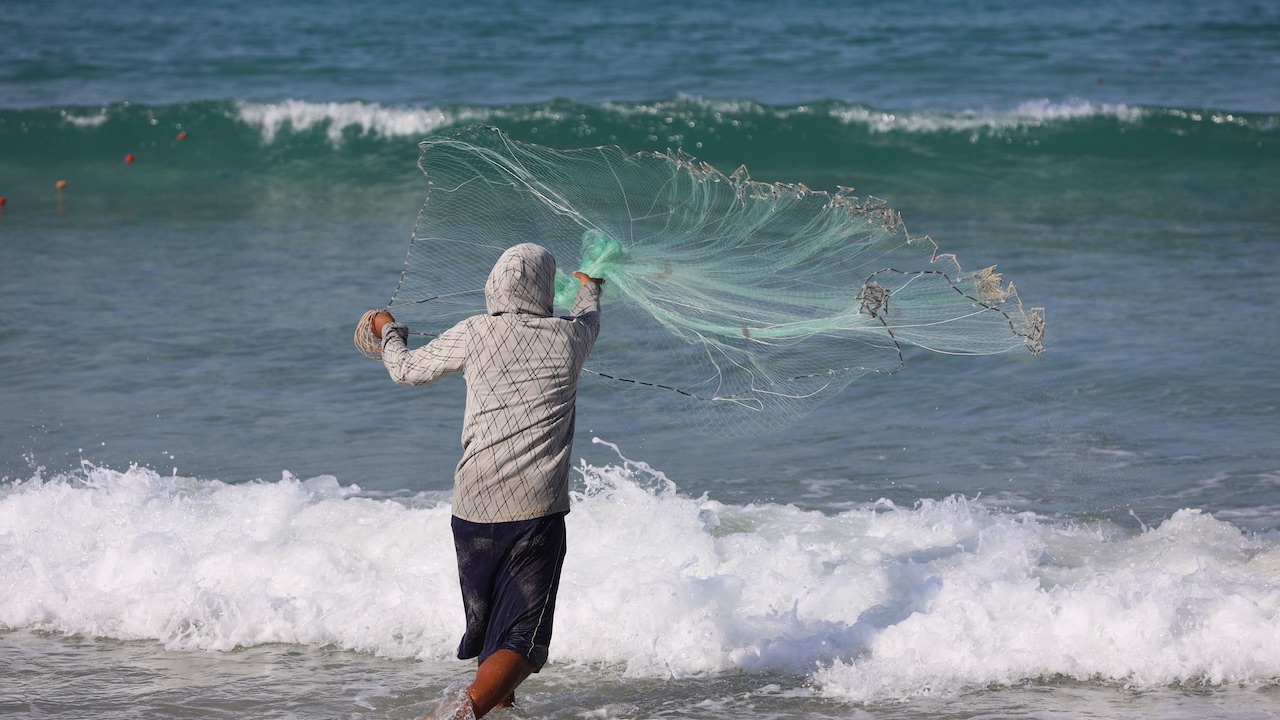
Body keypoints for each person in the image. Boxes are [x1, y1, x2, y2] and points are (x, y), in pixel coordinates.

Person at [368, 243, 603, 718]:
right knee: (522, 636)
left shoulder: (475, 331)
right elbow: (589, 316)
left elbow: (406, 371)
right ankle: (461, 712)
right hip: (534, 510)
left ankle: (496, 709)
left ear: (493, 286)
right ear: (543, 291)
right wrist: (590, 285)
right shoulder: (569, 339)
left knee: (495, 627)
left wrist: (386, 330)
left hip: (470, 508)